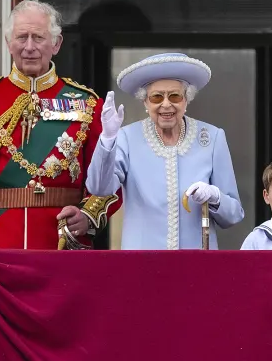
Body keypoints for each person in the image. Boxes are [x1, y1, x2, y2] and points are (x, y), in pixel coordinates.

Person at [0, 0, 121, 249]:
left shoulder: (88, 104)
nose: (29, 47)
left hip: (60, 243)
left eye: (38, 37)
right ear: (9, 43)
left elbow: (108, 178)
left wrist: (87, 216)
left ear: (56, 44)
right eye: (21, 37)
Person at [86, 53, 244, 249]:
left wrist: (215, 197)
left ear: (186, 100)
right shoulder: (127, 138)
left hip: (195, 264)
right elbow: (99, 188)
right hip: (144, 263)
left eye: (175, 96)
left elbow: (234, 215)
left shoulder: (212, 137)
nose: (166, 104)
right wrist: (108, 139)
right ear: (145, 102)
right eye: (157, 97)